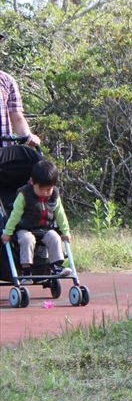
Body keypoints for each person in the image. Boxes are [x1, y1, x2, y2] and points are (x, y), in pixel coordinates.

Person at [1, 160, 72, 277]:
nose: (45, 193)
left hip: (44, 229)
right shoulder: (24, 194)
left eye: (48, 189)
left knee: (54, 237)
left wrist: (65, 232)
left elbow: (60, 214)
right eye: (41, 189)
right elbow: (15, 215)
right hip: (24, 228)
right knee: (27, 239)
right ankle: (26, 270)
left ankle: (56, 266)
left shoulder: (54, 195)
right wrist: (7, 232)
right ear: (32, 182)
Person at [0, 66, 43, 211]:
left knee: (37, 162)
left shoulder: (6, 80)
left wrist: (28, 136)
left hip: (5, 152)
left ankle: (37, 214)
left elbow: (17, 118)